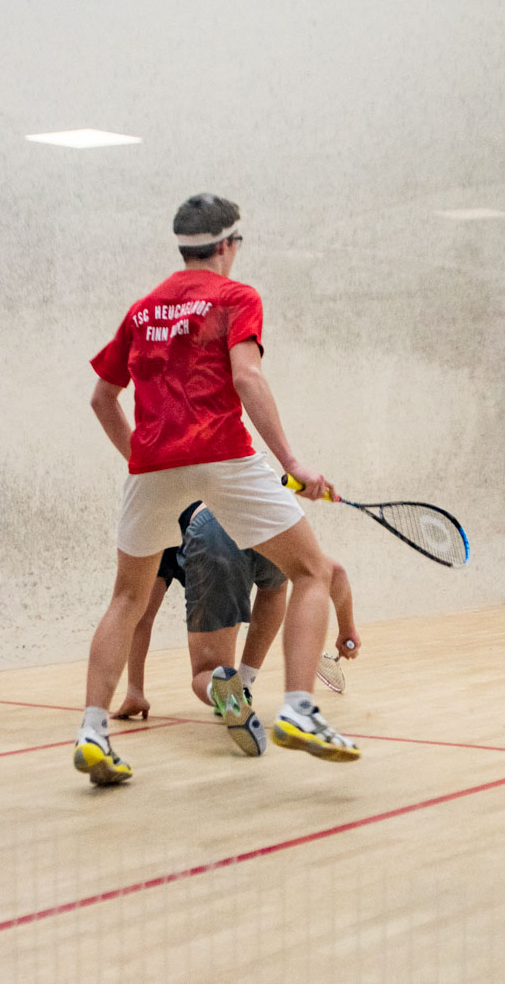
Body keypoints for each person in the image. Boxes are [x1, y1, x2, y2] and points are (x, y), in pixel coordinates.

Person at [74, 193, 363, 785]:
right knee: (312, 571)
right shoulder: (237, 297)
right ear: (228, 244)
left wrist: (143, 458)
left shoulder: (142, 310)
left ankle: (92, 732)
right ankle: (299, 710)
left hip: (151, 468)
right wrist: (292, 461)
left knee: (127, 599)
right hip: (224, 455)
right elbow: (247, 376)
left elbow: (102, 398)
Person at [111, 501, 360, 758]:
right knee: (274, 587)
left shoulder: (156, 525)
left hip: (212, 533)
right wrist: (347, 629)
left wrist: (135, 691)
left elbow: (142, 618)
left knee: (206, 672)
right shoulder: (245, 490)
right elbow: (336, 572)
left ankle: (225, 692)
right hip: (261, 518)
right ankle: (245, 683)